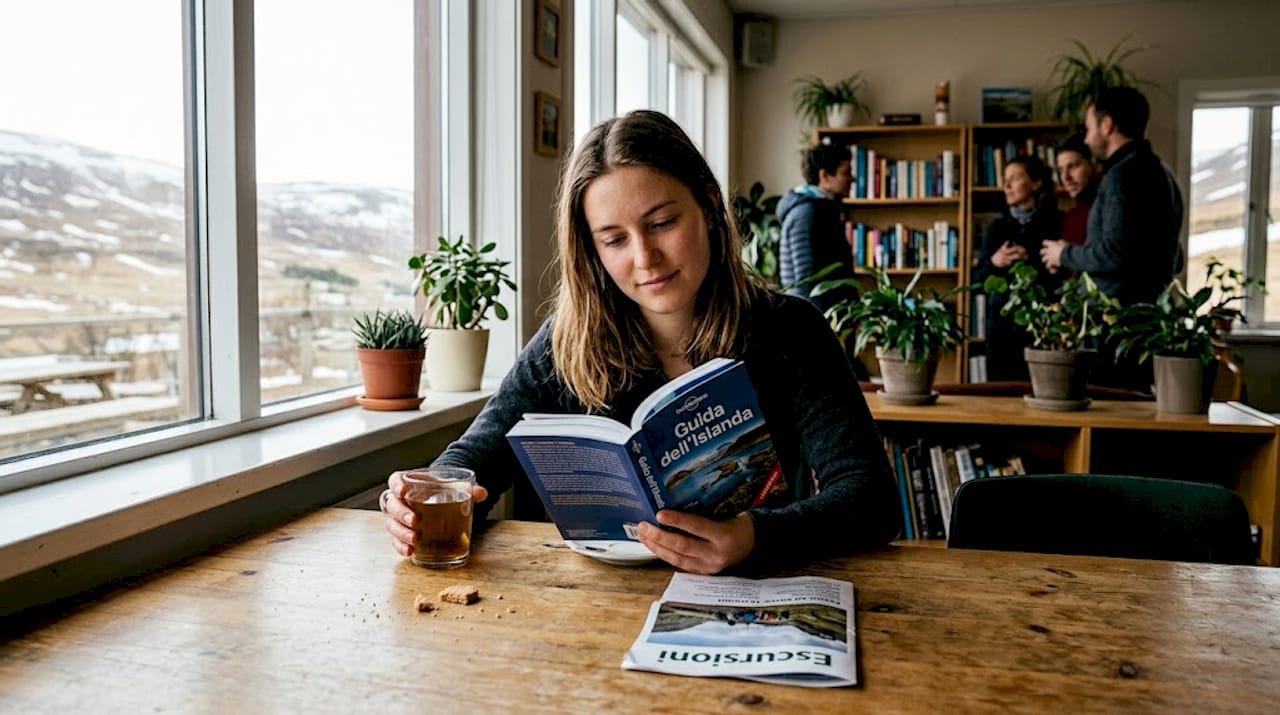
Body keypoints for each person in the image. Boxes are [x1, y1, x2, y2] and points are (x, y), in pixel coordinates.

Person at [379, 110, 901, 575]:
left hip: (753, 597)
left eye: (663, 223)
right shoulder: (566, 343)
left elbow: (871, 500)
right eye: (615, 240)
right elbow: (474, 461)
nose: (645, 257)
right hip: (586, 612)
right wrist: (420, 497)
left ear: (710, 206)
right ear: (592, 250)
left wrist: (754, 537)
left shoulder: (790, 329)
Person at [1040, 86, 1185, 391]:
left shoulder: (1122, 176)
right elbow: (1176, 257)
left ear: (1107, 126)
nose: (1088, 136)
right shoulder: (1163, 173)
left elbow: (1114, 254)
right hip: (1147, 324)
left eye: (1090, 127)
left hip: (1118, 331)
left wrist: (1064, 254)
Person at [972, 155, 1064, 381]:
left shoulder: (1057, 222)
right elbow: (977, 282)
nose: (1007, 186)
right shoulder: (996, 227)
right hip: (1002, 329)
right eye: (1005, 179)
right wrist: (995, 262)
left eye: (1014, 178)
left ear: (1035, 183)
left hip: (1043, 327)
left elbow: (1065, 277)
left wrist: (1031, 260)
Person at [776, 143, 854, 311]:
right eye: (846, 172)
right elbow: (807, 279)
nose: (852, 178)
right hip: (817, 322)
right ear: (825, 176)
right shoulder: (807, 214)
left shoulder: (823, 210)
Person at [1055, 133, 1100, 247]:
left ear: (1094, 165)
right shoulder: (1072, 215)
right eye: (1060, 170)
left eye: (1073, 166)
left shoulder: (1109, 208)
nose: (1066, 177)